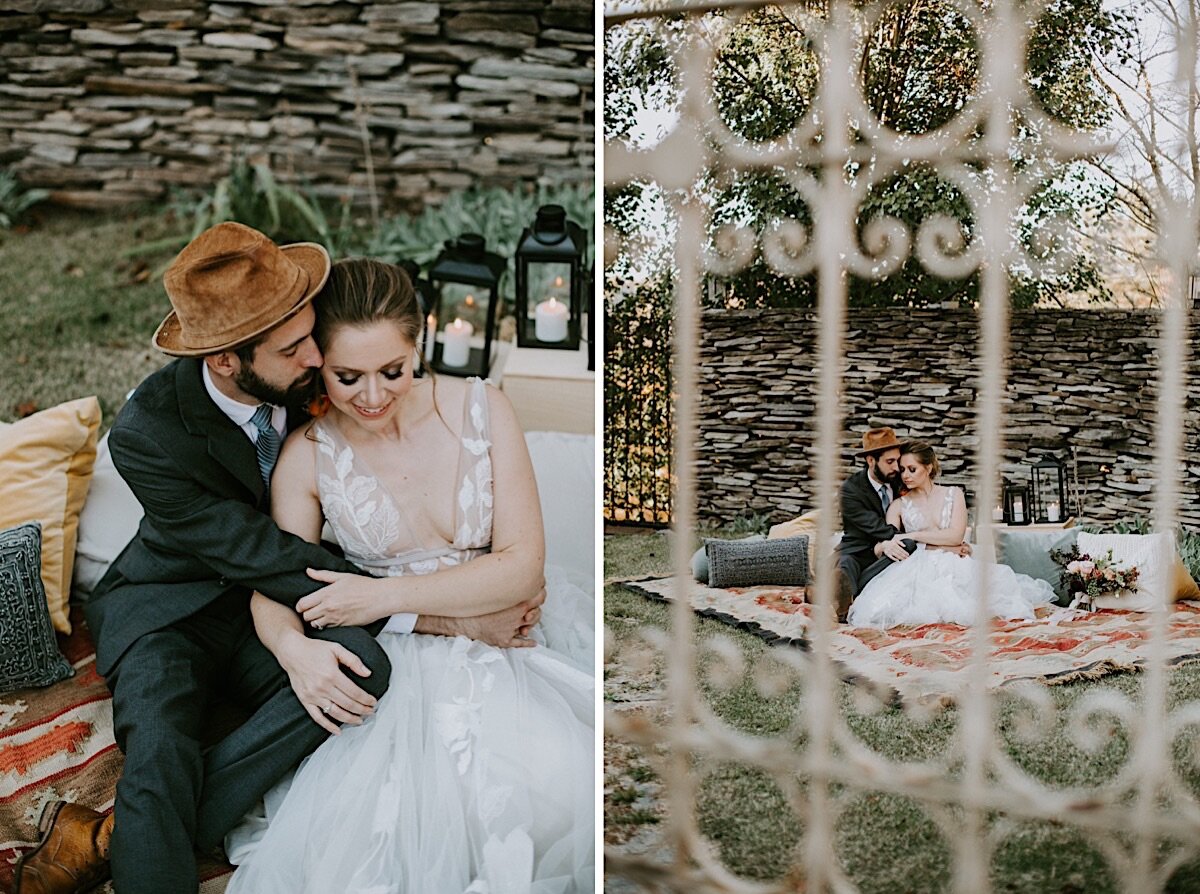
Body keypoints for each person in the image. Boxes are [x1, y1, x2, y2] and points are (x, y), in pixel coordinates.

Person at [13, 223, 542, 894]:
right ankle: (154, 825)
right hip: (170, 606)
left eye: (311, 336)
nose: (316, 358)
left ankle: (116, 835)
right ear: (227, 361)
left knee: (360, 672)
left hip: (274, 604)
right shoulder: (150, 434)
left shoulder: (314, 387)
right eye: (294, 349)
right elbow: (258, 553)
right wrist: (449, 618)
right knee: (162, 746)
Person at [223, 258, 594, 893]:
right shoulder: (306, 458)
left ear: (419, 338)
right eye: (347, 377)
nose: (371, 396)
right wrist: (292, 651)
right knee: (376, 843)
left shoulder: (485, 408)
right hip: (398, 665)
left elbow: (522, 564)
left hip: (514, 647)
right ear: (317, 363)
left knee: (562, 796)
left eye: (392, 371)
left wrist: (376, 594)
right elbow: (274, 588)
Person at [847, 442, 1055, 628]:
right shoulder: (898, 505)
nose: (905, 475)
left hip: (957, 563)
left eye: (912, 469)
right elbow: (892, 542)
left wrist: (916, 535)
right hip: (915, 569)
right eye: (902, 470)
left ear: (928, 468)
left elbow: (956, 536)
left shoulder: (954, 494)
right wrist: (941, 545)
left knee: (984, 600)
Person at [834, 427, 917, 621]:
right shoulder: (850, 490)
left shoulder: (901, 480)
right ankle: (844, 603)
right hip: (859, 550)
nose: (897, 467)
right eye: (890, 462)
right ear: (871, 460)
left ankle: (840, 593)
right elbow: (876, 527)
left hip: (889, 553)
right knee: (846, 563)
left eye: (898, 460)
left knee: (908, 547)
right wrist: (883, 544)